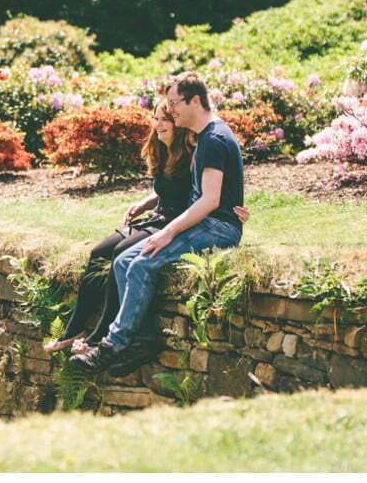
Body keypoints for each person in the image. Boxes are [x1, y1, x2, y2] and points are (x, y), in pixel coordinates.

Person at [71, 71, 245, 376]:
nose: (170, 110)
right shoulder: (205, 136)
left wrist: (166, 233)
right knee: (123, 261)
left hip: (218, 227)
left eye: (174, 103)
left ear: (194, 101)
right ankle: (144, 338)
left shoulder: (215, 139)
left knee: (142, 263)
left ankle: (112, 345)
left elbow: (210, 201)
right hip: (207, 221)